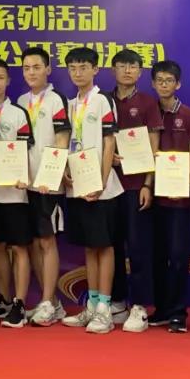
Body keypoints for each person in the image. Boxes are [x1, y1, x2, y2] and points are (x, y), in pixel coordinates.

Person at [59, 47, 122, 335]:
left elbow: (109, 143)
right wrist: (65, 170)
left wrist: (101, 180)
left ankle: (105, 309)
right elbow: (67, 142)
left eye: (83, 67)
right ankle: (92, 304)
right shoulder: (71, 104)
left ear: (95, 69)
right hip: (78, 185)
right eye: (73, 67)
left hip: (102, 188)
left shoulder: (102, 100)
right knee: (89, 245)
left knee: (104, 245)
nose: (78, 72)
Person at [109, 48, 162, 332]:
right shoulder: (103, 100)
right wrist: (108, 158)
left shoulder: (148, 103)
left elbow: (154, 147)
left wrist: (147, 184)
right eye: (122, 65)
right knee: (112, 245)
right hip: (108, 185)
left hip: (136, 186)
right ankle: (117, 301)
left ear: (140, 72)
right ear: (113, 70)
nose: (127, 70)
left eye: (133, 66)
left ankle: (140, 305)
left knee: (138, 246)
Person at [16, 46, 70, 327]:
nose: (31, 72)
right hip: (25, 184)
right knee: (35, 242)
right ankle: (52, 302)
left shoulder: (56, 99)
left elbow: (62, 140)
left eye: (36, 67)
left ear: (48, 69)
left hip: (49, 185)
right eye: (26, 68)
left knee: (48, 241)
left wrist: (52, 175)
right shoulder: (21, 100)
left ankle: (49, 300)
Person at [147, 60, 190, 333]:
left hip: (180, 198)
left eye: (169, 80)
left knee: (179, 256)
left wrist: (182, 176)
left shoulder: (189, 115)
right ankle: (161, 309)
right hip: (153, 196)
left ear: (178, 84)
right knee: (157, 256)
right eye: (160, 80)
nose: (164, 85)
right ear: (153, 84)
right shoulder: (149, 112)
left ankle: (178, 312)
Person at [0, 58, 32, 329]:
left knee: (19, 247)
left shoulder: (17, 113)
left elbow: (26, 150)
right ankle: (4, 300)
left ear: (8, 80)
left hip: (13, 192)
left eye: (1, 77)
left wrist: (23, 176)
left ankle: (20, 303)